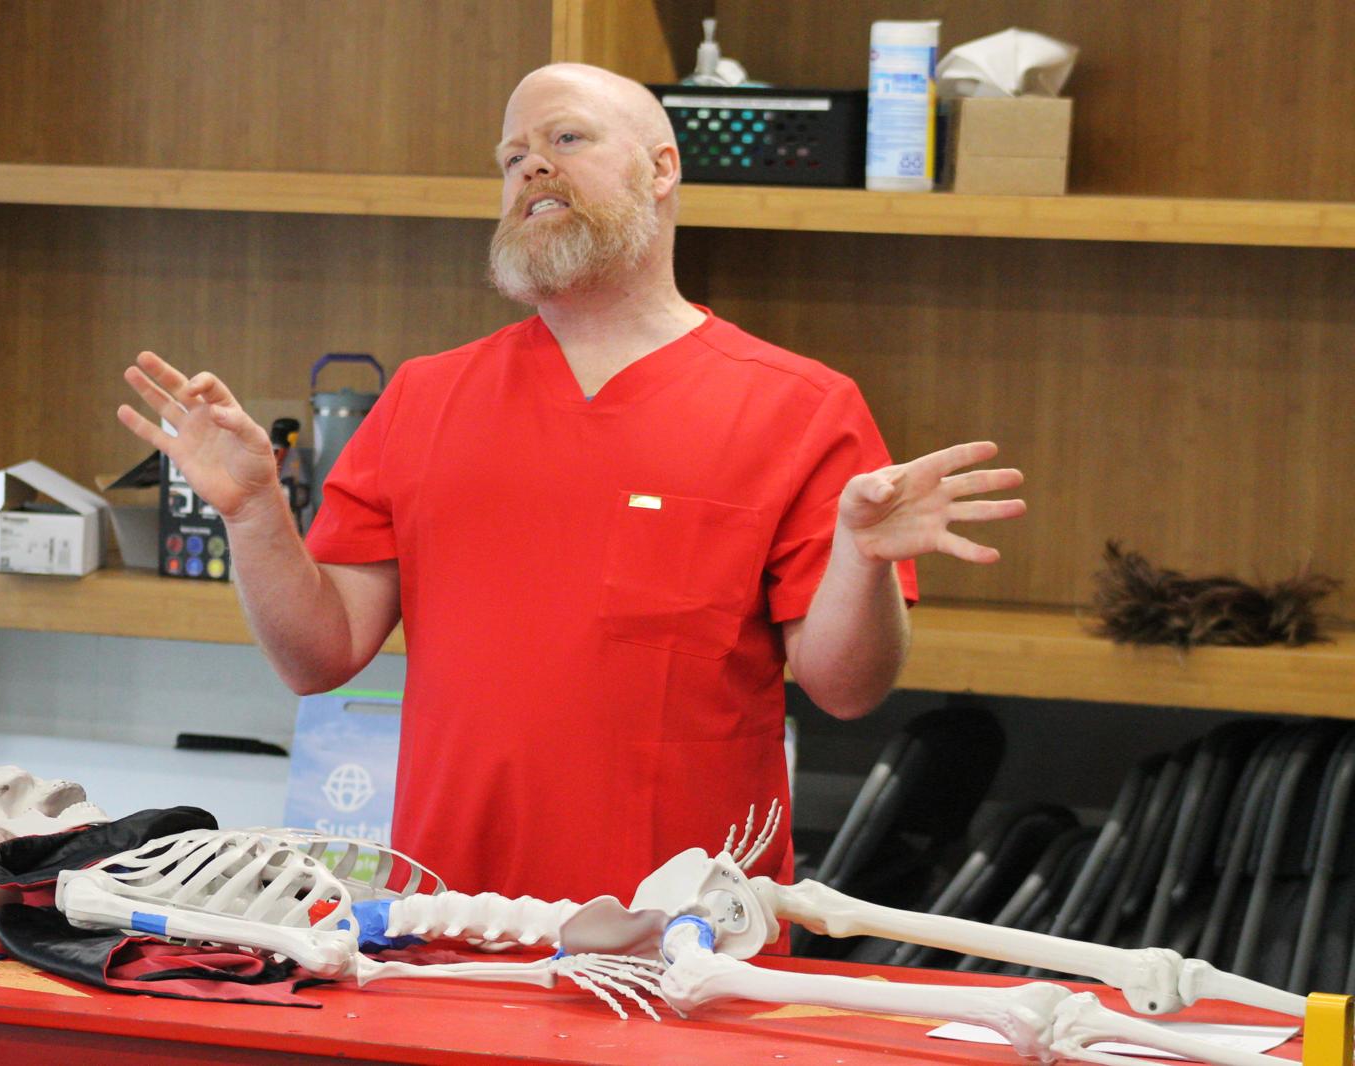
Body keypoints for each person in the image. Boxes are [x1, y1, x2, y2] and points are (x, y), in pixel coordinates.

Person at [118, 63, 1024, 905]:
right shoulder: (425, 397)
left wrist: (860, 561)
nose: (530, 169)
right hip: (448, 931)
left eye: (567, 140)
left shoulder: (801, 407)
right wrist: (253, 511)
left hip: (681, 939)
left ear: (662, 168)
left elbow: (845, 687)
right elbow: (319, 656)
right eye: (512, 157)